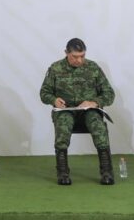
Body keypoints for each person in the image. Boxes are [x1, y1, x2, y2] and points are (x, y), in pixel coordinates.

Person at [40, 38, 115, 185]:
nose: (79, 60)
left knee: (98, 126)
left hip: (89, 111)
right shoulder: (55, 69)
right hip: (65, 111)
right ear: (66, 53)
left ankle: (107, 171)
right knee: (63, 124)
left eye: (82, 56)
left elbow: (109, 93)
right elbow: (44, 93)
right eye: (75, 57)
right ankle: (62, 172)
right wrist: (54, 100)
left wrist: (94, 102)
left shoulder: (93, 68)